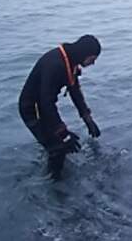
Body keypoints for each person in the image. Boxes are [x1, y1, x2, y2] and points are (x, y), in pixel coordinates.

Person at [18, 35, 102, 179]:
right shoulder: (56, 64)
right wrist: (63, 134)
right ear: (85, 54)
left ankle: (52, 169)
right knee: (57, 149)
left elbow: (75, 90)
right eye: (93, 59)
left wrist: (87, 118)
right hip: (32, 110)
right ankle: (54, 187)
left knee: (61, 144)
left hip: (43, 107)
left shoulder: (71, 60)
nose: (93, 63)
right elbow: (46, 102)